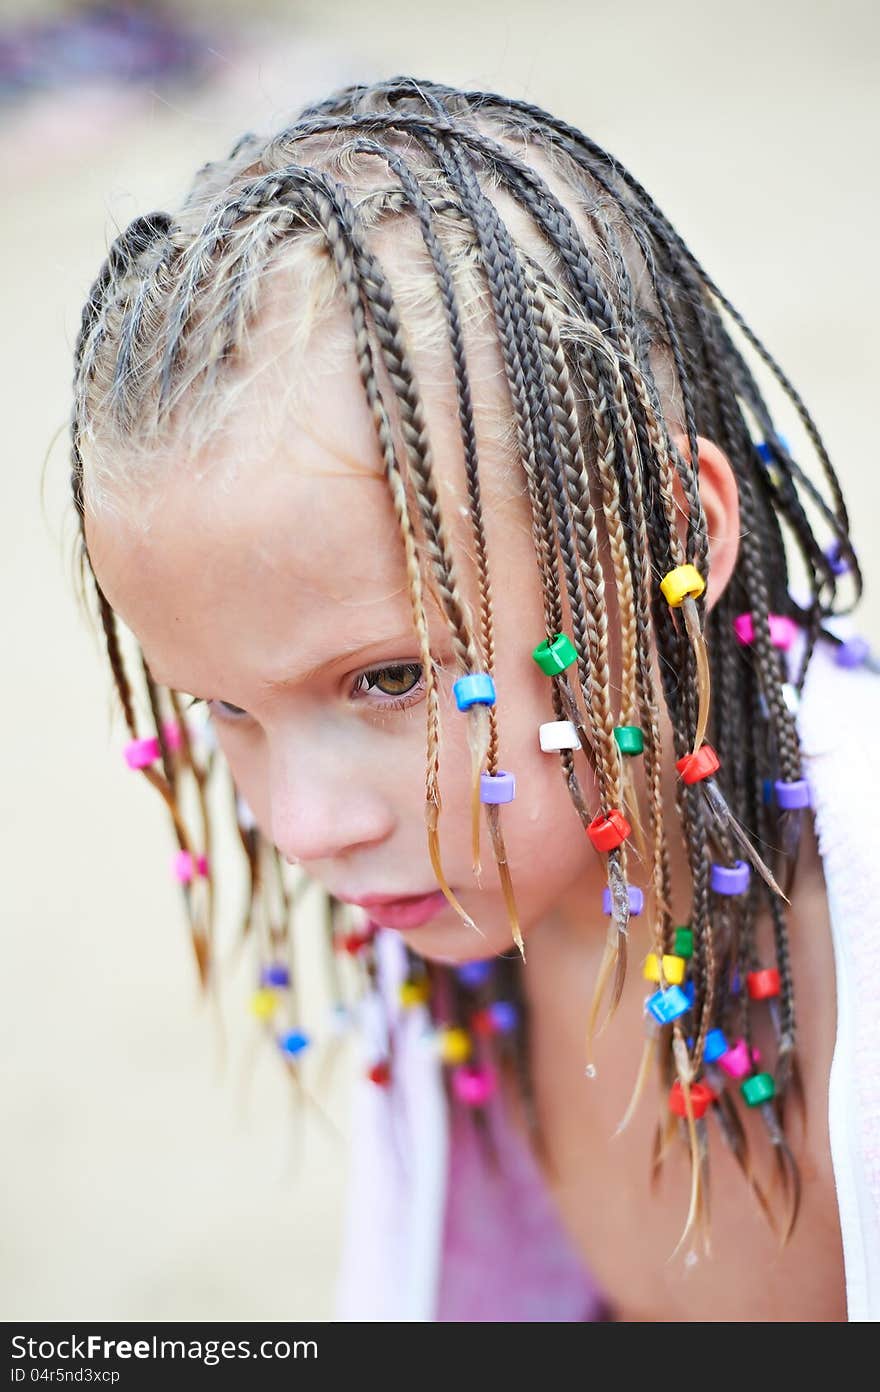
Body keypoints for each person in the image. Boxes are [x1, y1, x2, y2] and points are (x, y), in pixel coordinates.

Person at [69, 75, 879, 1321]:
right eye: (222, 708)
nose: (301, 826)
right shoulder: (468, 947)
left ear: (668, 538)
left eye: (388, 680)